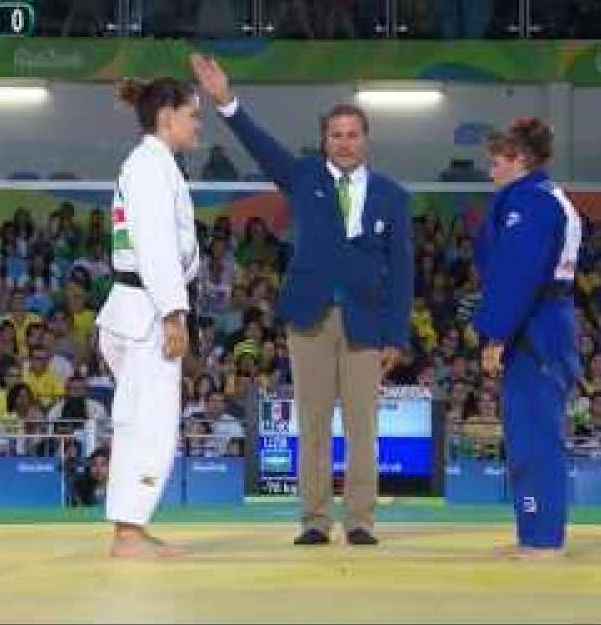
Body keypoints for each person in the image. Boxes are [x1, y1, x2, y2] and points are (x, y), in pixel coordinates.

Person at [191, 54, 414, 546]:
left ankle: (360, 521)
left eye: (352, 134)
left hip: (365, 323)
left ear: (366, 140)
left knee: (362, 427)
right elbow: (260, 146)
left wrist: (397, 335)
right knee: (312, 423)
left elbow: (402, 273)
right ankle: (314, 520)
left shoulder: (393, 197)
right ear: (324, 141)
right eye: (336, 134)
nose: (344, 142)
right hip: (309, 319)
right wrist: (226, 101)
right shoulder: (304, 177)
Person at [94, 76, 202, 559]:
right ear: (168, 116)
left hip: (138, 308)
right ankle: (129, 533)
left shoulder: (153, 165)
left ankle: (131, 527)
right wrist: (174, 315)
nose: (198, 123)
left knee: (141, 421)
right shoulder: (149, 168)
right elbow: (156, 247)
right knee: (150, 424)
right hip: (147, 312)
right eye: (193, 114)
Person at [472, 117, 582, 559]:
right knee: (529, 431)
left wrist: (496, 333)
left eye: (497, 162)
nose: (491, 171)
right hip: (545, 322)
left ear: (519, 160)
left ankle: (541, 539)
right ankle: (535, 533)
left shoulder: (531, 203)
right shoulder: (546, 197)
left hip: (533, 326)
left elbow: (517, 272)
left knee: (534, 434)